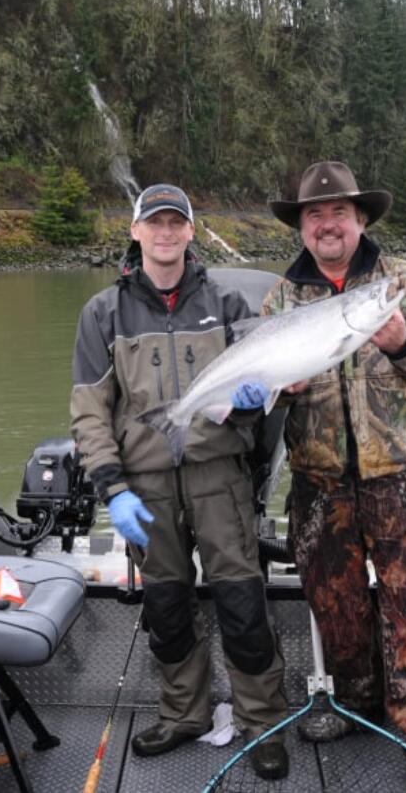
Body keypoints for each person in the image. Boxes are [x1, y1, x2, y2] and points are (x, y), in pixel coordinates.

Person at [252, 161, 406, 792]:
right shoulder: (281, 299)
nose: (326, 225)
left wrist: (402, 343)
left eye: (338, 212)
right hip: (320, 485)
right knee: (337, 614)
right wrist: (276, 389)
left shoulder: (402, 282)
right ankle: (356, 707)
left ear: (360, 219)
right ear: (301, 227)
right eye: (314, 215)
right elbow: (265, 389)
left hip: (404, 478)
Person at [69, 184, 289, 780]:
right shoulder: (102, 313)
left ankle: (261, 721)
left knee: (243, 602)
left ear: (192, 232)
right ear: (135, 231)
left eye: (177, 223)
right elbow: (90, 412)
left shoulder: (228, 303)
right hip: (144, 488)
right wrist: (112, 490)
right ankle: (182, 713)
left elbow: (262, 392)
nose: (166, 233)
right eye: (154, 223)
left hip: (220, 477)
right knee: (166, 605)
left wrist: (251, 403)